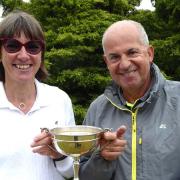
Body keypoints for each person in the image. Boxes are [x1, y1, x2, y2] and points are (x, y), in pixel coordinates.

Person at [79, 20, 180, 180]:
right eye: (115, 57)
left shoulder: (177, 100)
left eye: (132, 52)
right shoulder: (97, 109)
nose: (124, 64)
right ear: (106, 62)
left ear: (150, 53)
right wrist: (102, 158)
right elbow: (83, 176)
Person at [0, 10, 75, 180]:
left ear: (41, 54)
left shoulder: (60, 100)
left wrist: (59, 154)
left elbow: (71, 171)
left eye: (33, 47)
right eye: (13, 46)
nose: (23, 55)